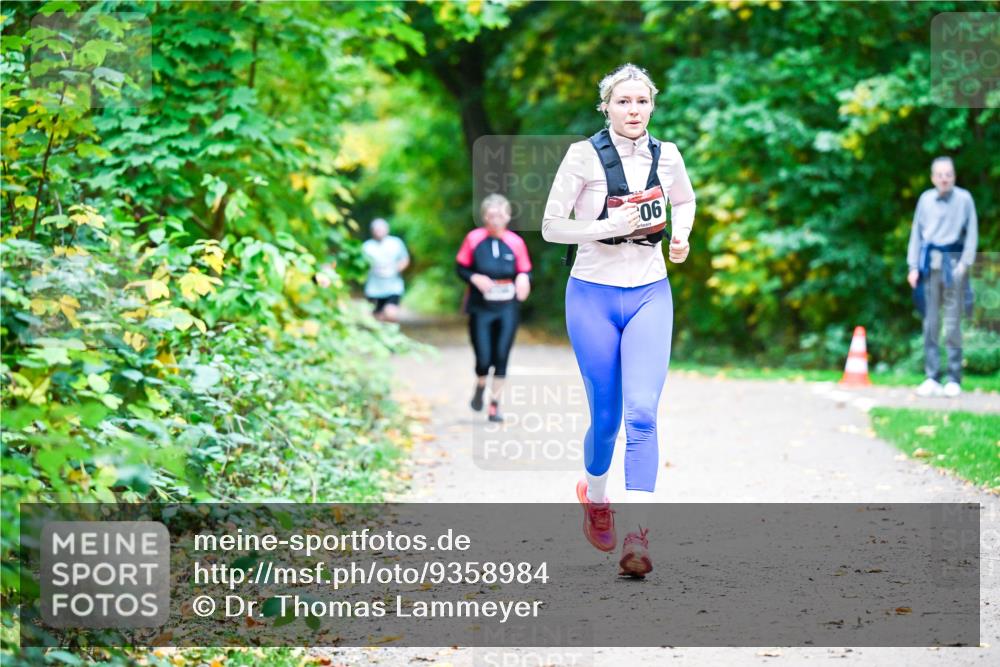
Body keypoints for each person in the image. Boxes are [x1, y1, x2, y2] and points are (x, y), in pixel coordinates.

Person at [541, 63, 696, 577]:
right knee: (606, 418)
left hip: (651, 292)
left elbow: (685, 200)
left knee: (643, 413)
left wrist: (682, 236)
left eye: (642, 101)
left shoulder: (667, 155)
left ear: (652, 105)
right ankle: (597, 496)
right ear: (606, 106)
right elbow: (549, 226)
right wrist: (606, 225)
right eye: (623, 101)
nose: (634, 110)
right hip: (592, 295)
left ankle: (639, 537)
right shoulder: (582, 156)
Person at [455, 194, 532, 423]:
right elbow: (460, 268)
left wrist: (524, 279)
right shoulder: (474, 239)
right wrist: (475, 277)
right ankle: (480, 385)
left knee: (501, 355)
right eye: (491, 216)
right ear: (484, 218)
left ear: (508, 216)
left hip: (507, 306)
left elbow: (525, 270)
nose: (496, 220)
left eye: (500, 215)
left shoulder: (516, 242)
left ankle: (494, 405)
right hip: (481, 306)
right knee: (483, 358)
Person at [907, 156, 978, 399]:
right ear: (933, 177)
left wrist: (965, 263)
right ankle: (931, 377)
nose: (944, 178)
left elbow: (972, 234)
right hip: (930, 264)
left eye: (948, 174)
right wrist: (912, 266)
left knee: (952, 322)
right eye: (940, 174)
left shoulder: (964, 199)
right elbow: (916, 234)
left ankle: (954, 378)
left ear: (954, 176)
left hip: (954, 262)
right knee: (930, 323)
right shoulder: (925, 199)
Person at [361, 218, 409, 323]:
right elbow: (360, 265)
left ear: (387, 229)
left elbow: (405, 259)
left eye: (381, 229)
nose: (379, 232)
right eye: (377, 230)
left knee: (390, 314)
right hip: (373, 288)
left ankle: (391, 333)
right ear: (372, 231)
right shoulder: (366, 247)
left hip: (393, 286)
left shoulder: (396, 243)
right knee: (377, 317)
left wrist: (396, 269)